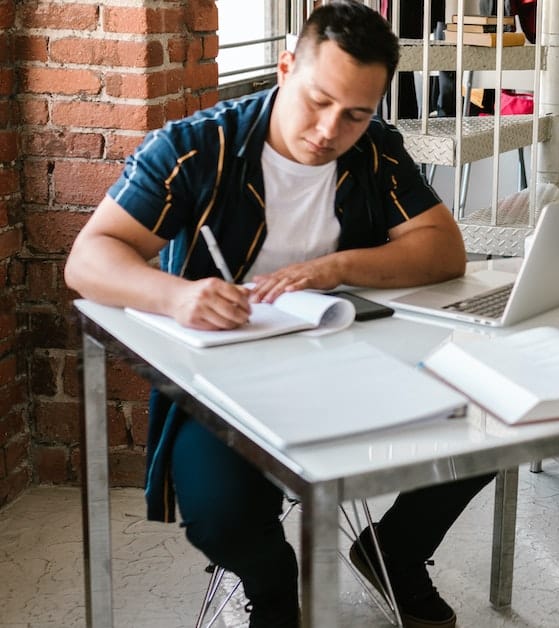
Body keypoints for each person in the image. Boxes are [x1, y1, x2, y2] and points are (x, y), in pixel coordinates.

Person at [64, 5, 490, 627]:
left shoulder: (373, 150)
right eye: (317, 100)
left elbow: (442, 248)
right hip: (227, 374)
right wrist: (177, 295)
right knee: (221, 513)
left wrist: (335, 267)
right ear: (285, 67)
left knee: (488, 423)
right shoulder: (194, 146)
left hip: (350, 356)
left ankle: (393, 554)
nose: (328, 129)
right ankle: (271, 584)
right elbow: (89, 259)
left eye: (355, 113)